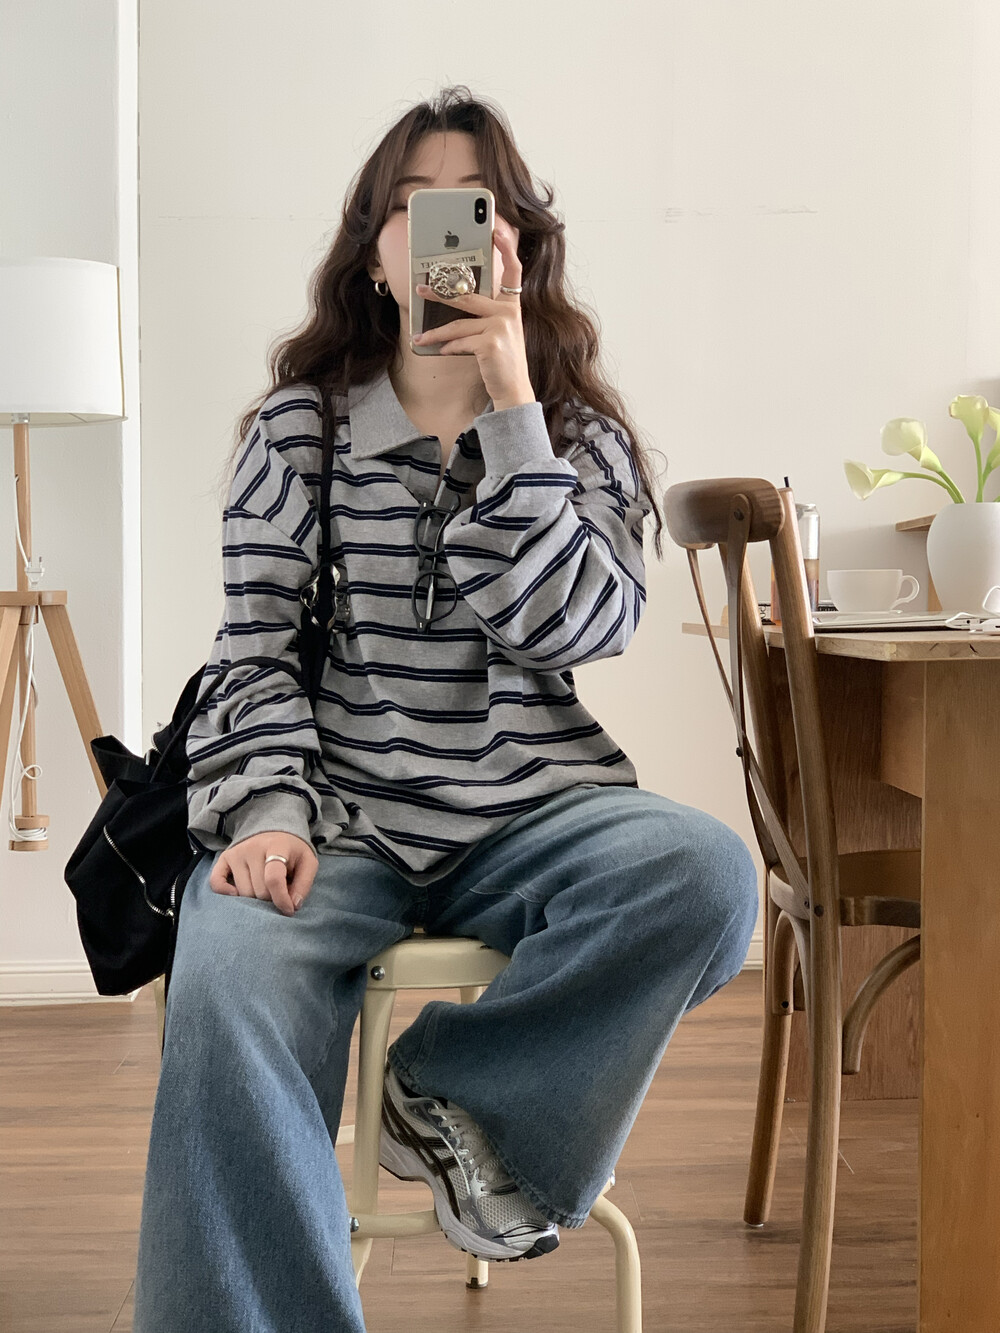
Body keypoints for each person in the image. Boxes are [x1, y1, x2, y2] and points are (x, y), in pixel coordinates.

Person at [133, 86, 758, 1333]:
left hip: (534, 810)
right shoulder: (299, 430)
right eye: (414, 208)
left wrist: (512, 415)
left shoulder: (573, 436)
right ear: (374, 251)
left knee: (705, 875)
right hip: (339, 817)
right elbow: (254, 649)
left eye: (474, 208)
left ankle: (448, 1098)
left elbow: (583, 629)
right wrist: (267, 810)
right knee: (227, 963)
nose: (445, 235)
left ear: (516, 244)